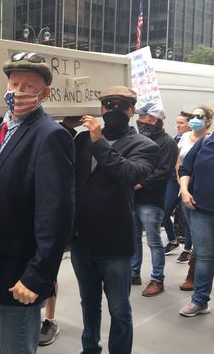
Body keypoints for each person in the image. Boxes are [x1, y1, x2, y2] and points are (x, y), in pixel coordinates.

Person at [0, 51, 75, 354]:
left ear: (44, 93)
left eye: (28, 86)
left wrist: (36, 278)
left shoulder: (51, 136)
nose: (18, 92)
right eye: (14, 84)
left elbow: (55, 215)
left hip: (18, 275)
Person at [65, 86, 158, 354]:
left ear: (132, 109)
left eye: (121, 104)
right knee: (89, 302)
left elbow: (129, 174)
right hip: (82, 240)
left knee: (119, 308)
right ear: (101, 108)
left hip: (115, 243)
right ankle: (89, 348)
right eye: (108, 104)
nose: (113, 109)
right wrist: (69, 130)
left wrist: (99, 142)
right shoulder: (82, 141)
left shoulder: (145, 146)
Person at [178, 102, 214, 325]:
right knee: (204, 259)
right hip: (201, 212)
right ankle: (200, 301)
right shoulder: (204, 142)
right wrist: (184, 190)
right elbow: (185, 169)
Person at [131, 103, 178, 296]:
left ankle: (157, 279)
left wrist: (139, 183)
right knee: (132, 240)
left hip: (151, 200)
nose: (140, 120)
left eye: (143, 117)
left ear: (153, 120)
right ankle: (134, 273)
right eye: (140, 117)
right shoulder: (137, 138)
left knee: (153, 241)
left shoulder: (167, 143)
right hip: (132, 198)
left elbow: (164, 172)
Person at [176, 106, 214, 291]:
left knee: (199, 235)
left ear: (208, 120)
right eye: (192, 116)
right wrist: (182, 185)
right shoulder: (185, 136)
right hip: (184, 190)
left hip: (200, 194)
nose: (194, 119)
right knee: (191, 230)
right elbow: (180, 162)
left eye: (199, 116)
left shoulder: (211, 140)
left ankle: (193, 274)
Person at [162, 112, 191, 253]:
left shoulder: (195, 141)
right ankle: (173, 241)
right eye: (177, 122)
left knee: (186, 219)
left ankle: (188, 249)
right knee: (164, 212)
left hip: (188, 182)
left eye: (181, 123)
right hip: (174, 181)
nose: (177, 126)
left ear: (189, 125)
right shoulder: (176, 139)